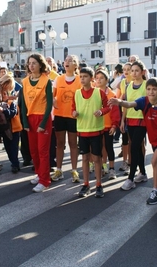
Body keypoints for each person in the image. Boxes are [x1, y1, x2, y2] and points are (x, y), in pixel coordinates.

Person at [109, 78, 157, 204]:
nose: (151, 92)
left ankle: (155, 191)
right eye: (148, 89)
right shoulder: (144, 101)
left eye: (154, 89)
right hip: (154, 138)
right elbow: (130, 104)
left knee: (154, 161)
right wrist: (119, 102)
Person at [72, 67, 111, 198]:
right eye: (81, 76)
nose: (82, 79)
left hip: (96, 130)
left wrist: (101, 112)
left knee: (97, 159)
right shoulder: (77, 93)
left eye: (85, 76)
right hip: (82, 131)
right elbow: (73, 108)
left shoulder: (99, 93)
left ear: (91, 78)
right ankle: (86, 184)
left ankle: (99, 184)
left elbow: (107, 106)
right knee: (84, 158)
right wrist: (74, 113)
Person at [21, 53, 53, 193]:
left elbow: (49, 104)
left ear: (41, 64)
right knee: (33, 150)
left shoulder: (47, 81)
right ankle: (40, 174)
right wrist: (25, 122)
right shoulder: (25, 82)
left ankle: (44, 181)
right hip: (30, 118)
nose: (31, 65)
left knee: (43, 151)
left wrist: (43, 122)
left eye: (34, 63)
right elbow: (22, 104)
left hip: (42, 119)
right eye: (29, 63)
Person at [51, 54, 82, 183]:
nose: (67, 62)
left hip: (73, 117)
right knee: (59, 144)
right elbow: (51, 95)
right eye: (66, 60)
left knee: (73, 144)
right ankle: (59, 170)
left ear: (76, 65)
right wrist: (53, 101)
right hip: (59, 115)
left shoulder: (80, 80)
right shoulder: (58, 79)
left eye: (71, 61)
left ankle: (74, 170)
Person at [120, 60, 148, 191]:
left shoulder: (146, 85)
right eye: (132, 71)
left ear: (142, 72)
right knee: (136, 147)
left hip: (142, 120)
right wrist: (122, 120)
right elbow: (126, 104)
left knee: (135, 146)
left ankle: (130, 178)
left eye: (137, 70)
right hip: (130, 120)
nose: (134, 73)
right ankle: (142, 173)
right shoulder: (129, 85)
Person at [95, 69, 120, 179]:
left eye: (101, 78)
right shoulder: (93, 92)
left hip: (108, 125)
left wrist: (114, 125)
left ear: (107, 80)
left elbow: (115, 111)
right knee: (98, 148)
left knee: (109, 147)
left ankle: (111, 169)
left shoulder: (112, 94)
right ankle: (101, 167)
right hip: (96, 126)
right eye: (97, 78)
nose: (99, 80)